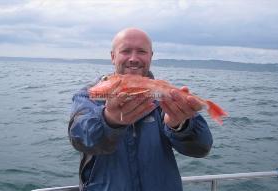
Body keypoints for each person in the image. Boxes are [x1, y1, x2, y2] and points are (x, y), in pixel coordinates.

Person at [68, 28, 213, 191]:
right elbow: (79, 138)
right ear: (113, 56)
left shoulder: (164, 95)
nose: (133, 58)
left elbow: (202, 148)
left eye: (142, 51)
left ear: (151, 56)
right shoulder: (91, 95)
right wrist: (109, 120)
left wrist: (180, 125)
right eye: (126, 51)